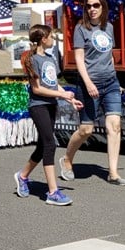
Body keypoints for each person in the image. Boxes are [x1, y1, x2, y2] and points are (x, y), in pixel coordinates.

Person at [60, 0, 125, 186]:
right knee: (86, 130)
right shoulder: (81, 29)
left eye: (96, 5)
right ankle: (67, 159)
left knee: (114, 125)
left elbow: (110, 57)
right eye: (89, 6)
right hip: (89, 84)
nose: (92, 9)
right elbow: (79, 59)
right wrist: (89, 83)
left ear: (102, 7)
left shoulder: (109, 27)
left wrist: (116, 80)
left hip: (111, 84)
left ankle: (113, 173)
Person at [14, 24, 83, 205]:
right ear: (43, 38)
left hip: (52, 104)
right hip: (38, 106)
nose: (53, 39)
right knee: (50, 144)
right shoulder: (32, 59)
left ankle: (22, 176)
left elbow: (53, 85)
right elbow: (37, 89)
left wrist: (69, 99)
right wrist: (61, 95)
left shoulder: (51, 58)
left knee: (42, 146)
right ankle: (52, 192)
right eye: (51, 36)